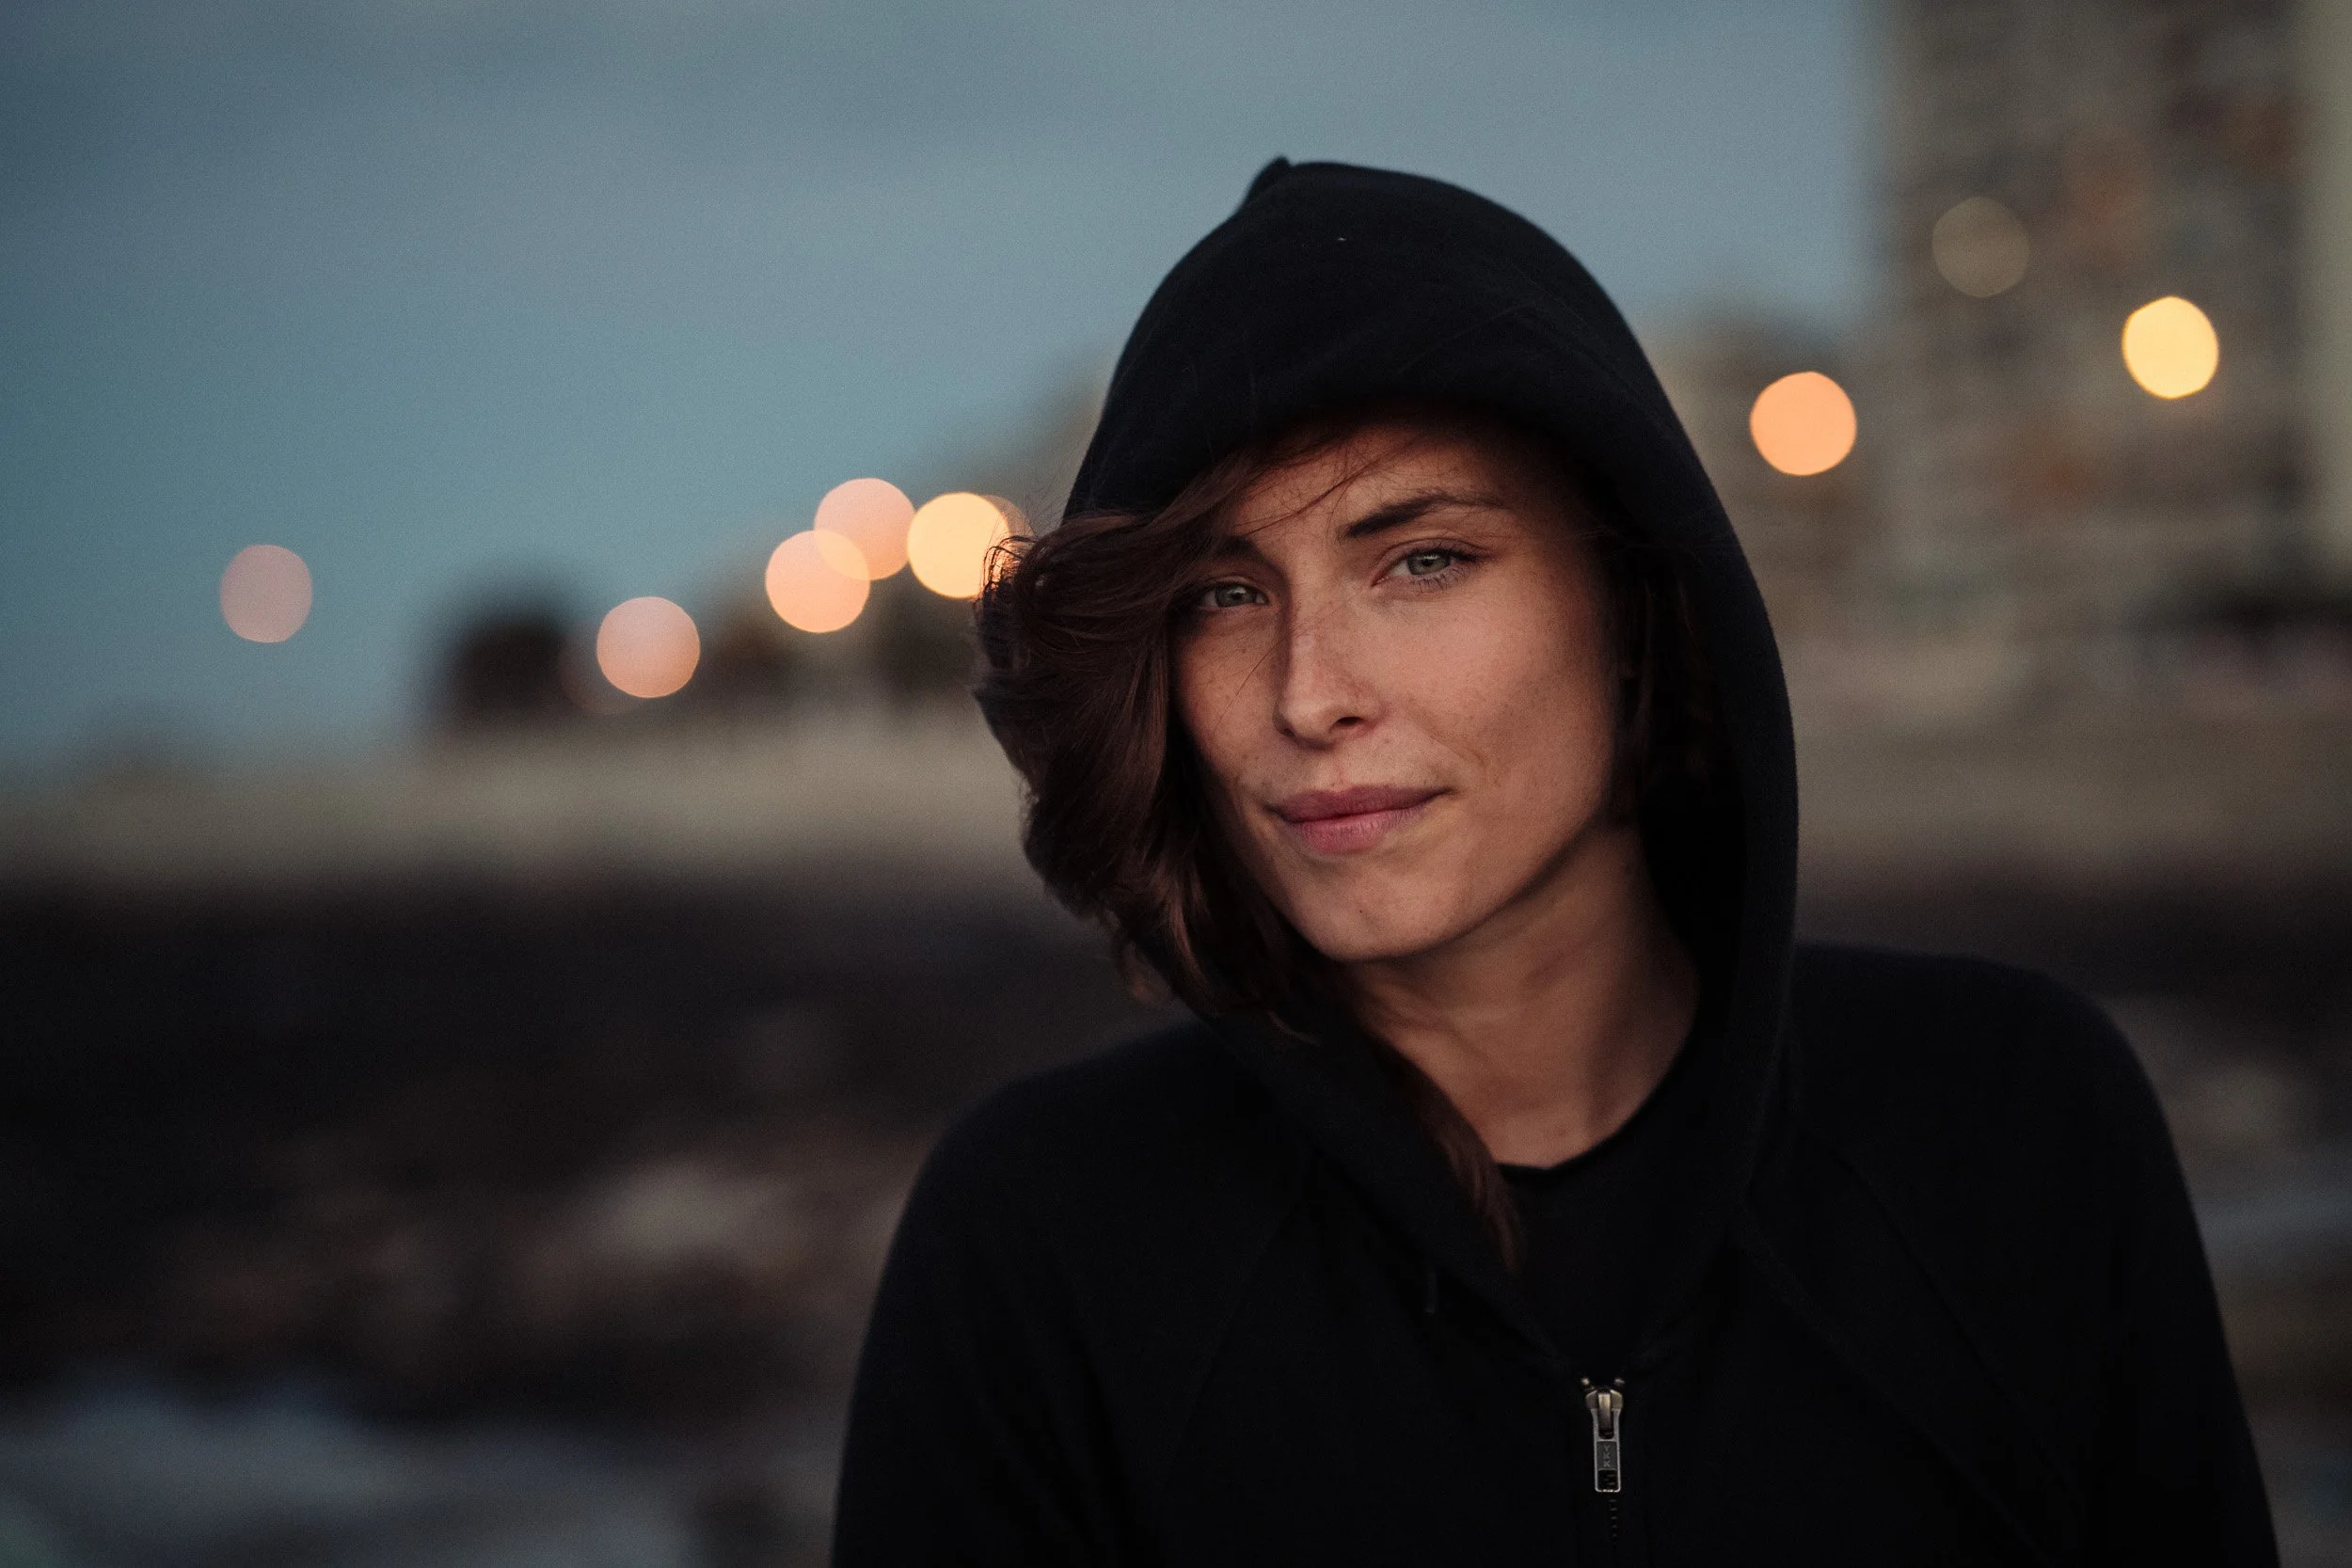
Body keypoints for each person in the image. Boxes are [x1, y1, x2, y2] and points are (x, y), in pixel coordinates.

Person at [831, 159, 2276, 1565]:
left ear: (1633, 600)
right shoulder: (1042, 1243)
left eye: (1423, 560)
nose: (1308, 693)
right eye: (1223, 592)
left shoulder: (2015, 1126)